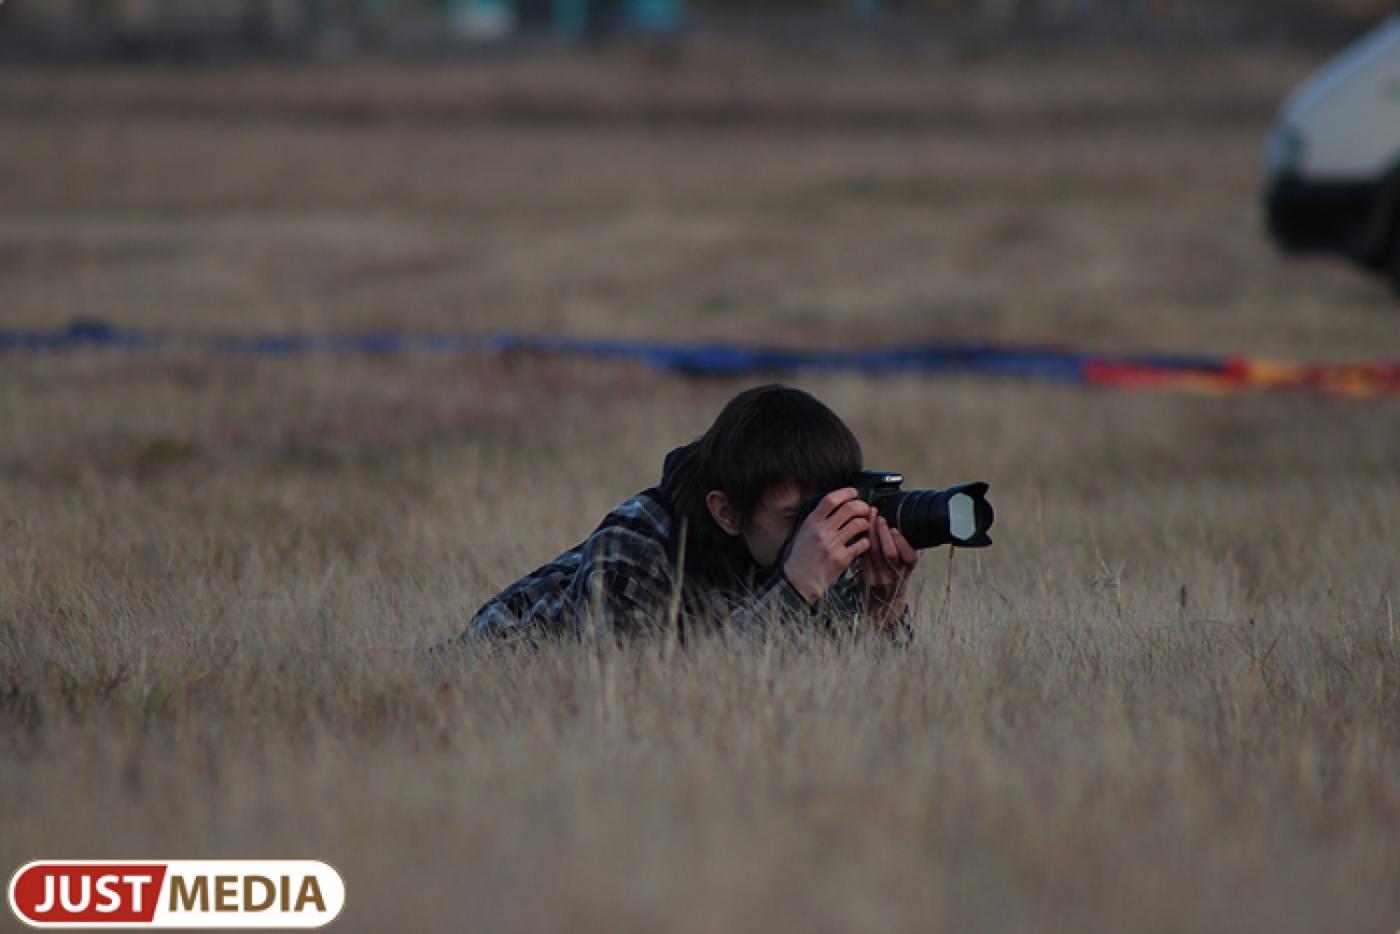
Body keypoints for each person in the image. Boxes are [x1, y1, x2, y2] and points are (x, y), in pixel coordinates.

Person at [448, 384, 919, 646]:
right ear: (727, 512)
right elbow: (640, 702)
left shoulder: (806, 555)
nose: (821, 534)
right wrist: (793, 593)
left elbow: (864, 708)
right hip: (479, 680)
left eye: (832, 508)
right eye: (801, 516)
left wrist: (884, 615)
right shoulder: (634, 544)